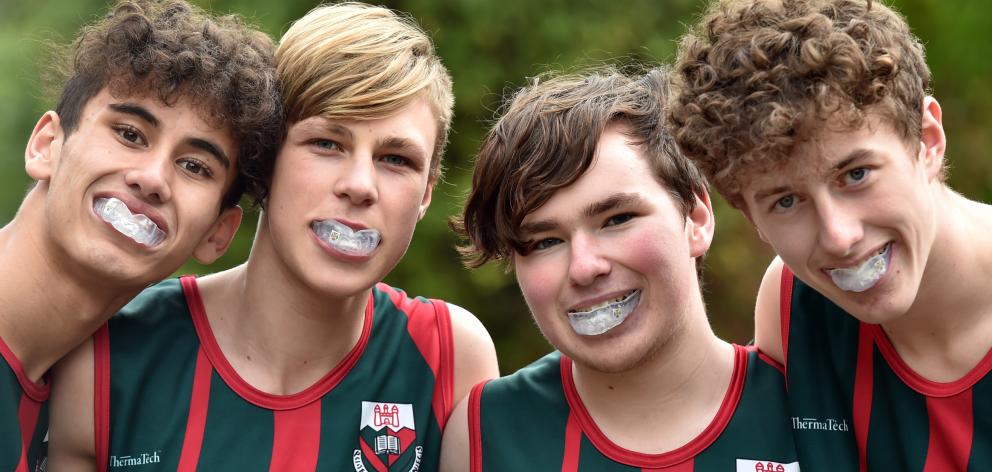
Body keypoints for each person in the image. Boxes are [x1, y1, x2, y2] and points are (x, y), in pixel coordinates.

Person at [47, 2, 499, 471]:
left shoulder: (450, 356)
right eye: (326, 143)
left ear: (426, 193)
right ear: (263, 163)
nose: (361, 185)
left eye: (395, 160)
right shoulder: (111, 351)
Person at [668, 0, 992, 469]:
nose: (840, 237)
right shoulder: (790, 307)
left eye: (856, 174)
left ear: (927, 140)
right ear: (751, 219)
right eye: (785, 201)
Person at [440, 68, 797, 471]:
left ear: (696, 219)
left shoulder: (813, 405)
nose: (584, 268)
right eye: (545, 242)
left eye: (617, 219)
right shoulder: (482, 435)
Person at [0, 0, 280, 469]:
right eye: (130, 134)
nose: (152, 178)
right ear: (47, 146)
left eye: (194, 166)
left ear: (216, 234)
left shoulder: (75, 402)